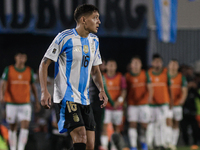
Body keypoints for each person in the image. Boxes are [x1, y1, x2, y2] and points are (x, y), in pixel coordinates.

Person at [39, 4, 108, 150]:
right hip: (66, 97)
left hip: (84, 98)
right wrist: (44, 91)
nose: (98, 22)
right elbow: (44, 64)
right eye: (95, 18)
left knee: (89, 145)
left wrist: (101, 90)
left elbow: (95, 71)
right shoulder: (64, 37)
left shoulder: (94, 41)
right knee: (80, 136)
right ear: (83, 20)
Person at [0, 52, 40, 150]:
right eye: (20, 56)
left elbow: (33, 87)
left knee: (25, 127)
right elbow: (3, 83)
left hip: (25, 103)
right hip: (11, 103)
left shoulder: (29, 71)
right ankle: (13, 148)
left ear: (26, 59)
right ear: (15, 57)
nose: (21, 58)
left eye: (23, 57)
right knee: (12, 127)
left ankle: (21, 148)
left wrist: (36, 101)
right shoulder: (9, 69)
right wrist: (1, 95)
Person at [125, 56, 153, 150]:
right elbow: (125, 91)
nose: (136, 65)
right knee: (132, 124)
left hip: (144, 105)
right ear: (131, 65)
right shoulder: (127, 76)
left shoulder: (145, 74)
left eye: (138, 63)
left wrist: (149, 100)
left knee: (144, 126)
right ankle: (133, 146)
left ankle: (144, 143)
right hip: (132, 105)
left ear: (141, 65)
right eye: (134, 63)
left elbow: (150, 88)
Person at [147, 54, 172, 150]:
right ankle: (155, 144)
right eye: (156, 62)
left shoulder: (166, 73)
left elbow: (170, 89)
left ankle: (163, 144)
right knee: (153, 124)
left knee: (163, 123)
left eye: (159, 62)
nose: (158, 64)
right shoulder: (148, 73)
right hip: (152, 104)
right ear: (152, 63)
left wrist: (171, 101)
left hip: (164, 103)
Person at [101, 59, 127, 150]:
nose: (111, 67)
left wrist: (119, 101)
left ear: (116, 67)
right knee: (104, 127)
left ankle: (114, 147)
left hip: (117, 108)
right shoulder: (102, 77)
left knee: (117, 128)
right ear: (106, 66)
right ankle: (104, 146)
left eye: (113, 65)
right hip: (106, 108)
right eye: (110, 65)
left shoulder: (120, 77)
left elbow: (124, 91)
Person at [166, 59, 187, 149]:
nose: (173, 66)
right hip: (167, 104)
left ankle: (173, 143)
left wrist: (182, 99)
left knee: (176, 123)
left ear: (178, 67)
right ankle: (168, 141)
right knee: (168, 122)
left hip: (177, 104)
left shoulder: (181, 77)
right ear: (168, 66)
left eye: (175, 65)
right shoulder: (166, 76)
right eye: (172, 64)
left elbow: (184, 90)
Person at [89, 60, 106, 150]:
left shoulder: (102, 76)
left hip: (98, 106)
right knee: (89, 128)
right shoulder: (86, 74)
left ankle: (97, 145)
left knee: (98, 127)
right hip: (88, 106)